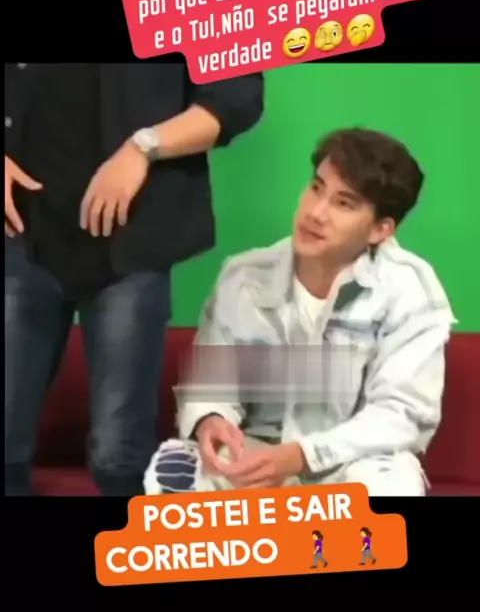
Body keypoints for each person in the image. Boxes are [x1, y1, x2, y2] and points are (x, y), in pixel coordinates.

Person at [145, 127, 456, 498]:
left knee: (389, 486)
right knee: (176, 470)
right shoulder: (244, 277)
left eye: (344, 204)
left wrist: (303, 455)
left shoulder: (411, 290)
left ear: (380, 229)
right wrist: (211, 420)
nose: (316, 212)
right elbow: (210, 386)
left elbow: (400, 414)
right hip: (258, 454)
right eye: (316, 188)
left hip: (352, 462)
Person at [4, 62, 264, 497]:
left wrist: (143, 147)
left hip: (133, 237)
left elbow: (236, 97)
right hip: (19, 231)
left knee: (118, 454)